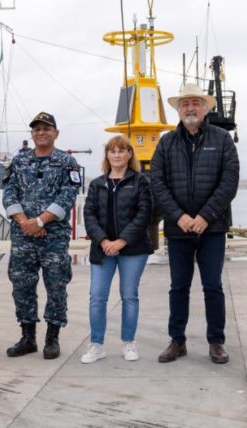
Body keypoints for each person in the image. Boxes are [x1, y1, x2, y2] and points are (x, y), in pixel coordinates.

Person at [150, 83, 239, 365]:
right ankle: (177, 341)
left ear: (205, 108)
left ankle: (216, 342)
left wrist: (204, 217)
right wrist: (179, 216)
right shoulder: (166, 142)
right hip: (178, 230)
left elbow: (229, 181)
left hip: (211, 228)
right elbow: (157, 183)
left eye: (196, 103)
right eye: (185, 103)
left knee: (212, 285)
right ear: (178, 109)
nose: (190, 108)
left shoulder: (222, 138)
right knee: (179, 286)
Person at [3, 112, 81, 360]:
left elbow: (67, 197)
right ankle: (27, 338)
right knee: (21, 285)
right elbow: (9, 192)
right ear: (32, 134)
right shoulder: (19, 161)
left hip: (54, 237)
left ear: (56, 133)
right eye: (36, 129)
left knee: (56, 286)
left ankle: (52, 338)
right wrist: (25, 223)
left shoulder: (67, 163)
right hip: (22, 235)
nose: (41, 133)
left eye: (46, 129)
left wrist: (39, 221)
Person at [81, 135, 153, 363]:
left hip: (133, 249)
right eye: (113, 151)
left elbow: (144, 215)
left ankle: (128, 342)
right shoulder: (97, 184)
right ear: (107, 155)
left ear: (130, 154)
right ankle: (97, 345)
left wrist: (121, 241)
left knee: (129, 296)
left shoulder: (141, 182)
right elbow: (89, 215)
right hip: (102, 250)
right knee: (97, 297)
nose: (117, 155)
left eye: (122, 151)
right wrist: (103, 241)